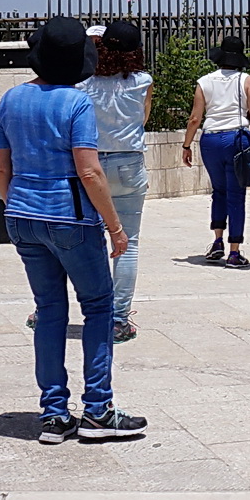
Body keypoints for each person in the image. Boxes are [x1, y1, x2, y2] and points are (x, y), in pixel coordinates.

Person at [0, 16, 147, 445]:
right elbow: (89, 171)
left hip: (22, 215)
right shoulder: (77, 103)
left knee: (48, 311)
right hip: (71, 218)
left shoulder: (11, 99)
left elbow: (1, 166)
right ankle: (97, 410)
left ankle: (54, 415)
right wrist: (115, 227)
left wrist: (16, 205)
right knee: (98, 307)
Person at [79, 21, 153, 343]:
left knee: (86, 240)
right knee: (127, 243)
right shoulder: (143, 81)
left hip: (91, 164)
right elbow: (143, 119)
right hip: (128, 163)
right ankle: (119, 318)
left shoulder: (84, 84)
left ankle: (85, 310)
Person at [183, 35, 250, 267]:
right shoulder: (245, 80)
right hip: (236, 138)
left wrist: (186, 145)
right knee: (236, 194)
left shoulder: (204, 82)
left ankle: (217, 241)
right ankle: (234, 252)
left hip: (210, 140)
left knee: (218, 191)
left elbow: (195, 118)